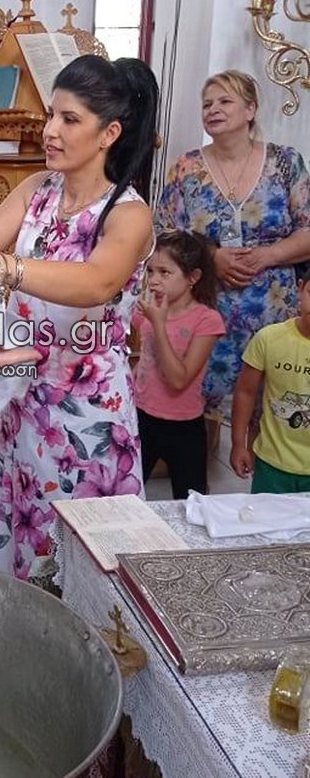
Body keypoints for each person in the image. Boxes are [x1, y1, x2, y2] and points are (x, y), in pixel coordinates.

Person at [0, 54, 159, 582]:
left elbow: (96, 282)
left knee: (83, 555)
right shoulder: (37, 191)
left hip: (87, 411)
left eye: (69, 119)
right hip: (23, 398)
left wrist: (3, 267)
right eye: (51, 114)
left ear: (109, 134)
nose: (50, 130)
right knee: (24, 536)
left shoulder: (128, 213)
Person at [155, 70, 310, 449]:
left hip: (273, 309)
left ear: (250, 110)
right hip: (207, 306)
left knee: (268, 400)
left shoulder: (285, 162)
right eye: (207, 104)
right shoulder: (186, 168)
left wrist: (266, 256)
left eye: (225, 101)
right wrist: (212, 257)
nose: (213, 109)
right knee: (197, 403)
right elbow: (164, 231)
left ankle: (263, 473)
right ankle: (198, 474)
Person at [133, 231, 225, 499]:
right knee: (127, 493)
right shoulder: (146, 311)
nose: (154, 280)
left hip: (184, 427)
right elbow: (145, 358)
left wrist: (158, 325)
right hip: (141, 417)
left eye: (165, 272)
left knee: (191, 504)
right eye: (151, 271)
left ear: (193, 277)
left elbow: (178, 380)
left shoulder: (206, 320)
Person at [230, 278, 310, 493]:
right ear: (300, 288)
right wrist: (238, 444)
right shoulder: (269, 338)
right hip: (272, 465)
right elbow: (245, 392)